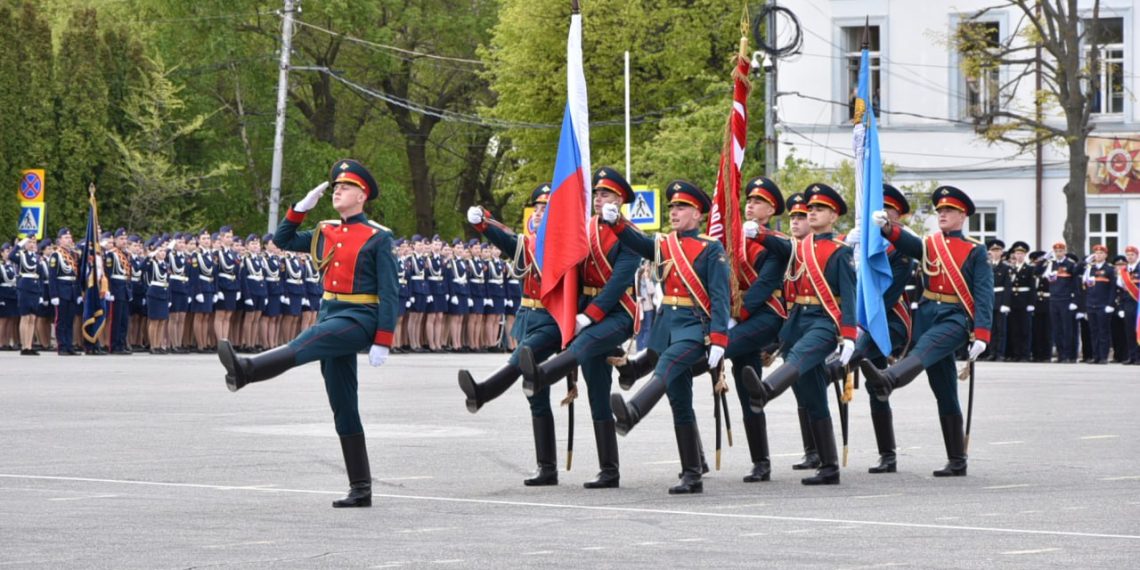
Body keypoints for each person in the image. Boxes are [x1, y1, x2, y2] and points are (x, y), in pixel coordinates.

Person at [218, 158, 398, 509]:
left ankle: (247, 369)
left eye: (345, 187)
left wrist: (383, 339)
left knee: (306, 342)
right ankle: (361, 488)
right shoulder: (326, 230)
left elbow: (391, 292)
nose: (337, 192)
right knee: (343, 403)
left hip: (359, 317)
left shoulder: (378, 237)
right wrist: (299, 210)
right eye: (335, 187)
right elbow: (281, 241)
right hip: (330, 310)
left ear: (362, 196)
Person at [518, 167, 641, 489]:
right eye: (597, 194)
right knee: (597, 391)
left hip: (616, 313)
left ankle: (542, 374)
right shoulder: (583, 228)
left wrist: (591, 314)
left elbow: (619, 281)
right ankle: (607, 470)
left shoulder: (629, 234)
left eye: (607, 194)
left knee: (585, 345)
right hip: (582, 311)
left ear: (621, 200)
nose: (600, 199)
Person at [605, 180, 730, 494]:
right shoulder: (665, 244)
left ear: (698, 214)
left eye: (682, 207)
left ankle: (633, 412)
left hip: (693, 329)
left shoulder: (710, 248)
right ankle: (692, 474)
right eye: (673, 207)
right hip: (666, 329)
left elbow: (720, 296)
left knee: (668, 366)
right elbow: (638, 243)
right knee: (680, 401)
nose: (675, 212)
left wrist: (718, 339)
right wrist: (616, 223)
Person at [860, 185, 994, 478]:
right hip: (930, 315)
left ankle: (889, 379)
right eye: (940, 211)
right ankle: (957, 460)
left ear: (962, 215)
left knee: (925, 349)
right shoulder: (930, 243)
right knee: (944, 389)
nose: (943, 215)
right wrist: (887, 228)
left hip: (956, 318)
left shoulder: (975, 250)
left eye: (949, 211)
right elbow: (907, 243)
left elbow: (984, 295)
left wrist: (982, 334)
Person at [740, 183, 856, 486]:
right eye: (810, 209)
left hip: (823, 322)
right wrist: (758, 233)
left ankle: (765, 390)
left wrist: (849, 335)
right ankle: (829, 466)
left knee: (802, 357)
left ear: (833, 216)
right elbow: (778, 246)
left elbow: (850, 296)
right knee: (813, 394)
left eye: (818, 209)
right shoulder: (798, 247)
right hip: (797, 321)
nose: (811, 213)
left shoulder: (840, 252)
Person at [459, 184, 568, 486]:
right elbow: (506, 241)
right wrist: (481, 223)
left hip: (552, 320)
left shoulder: (565, 245)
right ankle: (547, 468)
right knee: (535, 390)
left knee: (525, 358)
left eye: (547, 208)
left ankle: (483, 392)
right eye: (538, 207)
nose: (541, 212)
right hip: (528, 317)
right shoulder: (527, 242)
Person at [828, 184, 916, 474]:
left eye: (886, 211)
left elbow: (886, 296)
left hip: (887, 321)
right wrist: (848, 250)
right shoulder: (855, 242)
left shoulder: (901, 250)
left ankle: (828, 373)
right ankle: (887, 455)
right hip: (857, 321)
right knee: (876, 385)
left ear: (896, 216)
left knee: (846, 365)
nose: (879, 215)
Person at [1039, 241, 1078, 362]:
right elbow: (1037, 272)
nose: (1058, 253)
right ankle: (1061, 354)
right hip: (1054, 299)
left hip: (1066, 300)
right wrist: (1043, 260)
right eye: (1056, 251)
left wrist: (1074, 300)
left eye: (1061, 251)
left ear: (1065, 251)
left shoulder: (1070, 264)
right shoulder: (1051, 264)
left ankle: (1068, 354)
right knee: (1056, 328)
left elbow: (1075, 283)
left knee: (1067, 329)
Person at [47, 228, 81, 356]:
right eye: (66, 238)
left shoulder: (73, 254)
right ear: (59, 240)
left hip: (72, 290)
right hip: (61, 290)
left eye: (70, 237)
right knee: (61, 320)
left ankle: (69, 345)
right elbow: (52, 276)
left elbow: (76, 275)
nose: (69, 240)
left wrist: (77, 293)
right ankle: (61, 346)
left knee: (70, 319)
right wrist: (54, 294)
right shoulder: (56, 255)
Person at [1082, 244, 1115, 365]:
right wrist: (1086, 306)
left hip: (1103, 305)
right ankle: (1095, 356)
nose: (1098, 255)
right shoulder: (1090, 268)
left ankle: (1103, 356)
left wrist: (1110, 304)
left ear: (1105, 255)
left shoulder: (1109, 269)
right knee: (1093, 331)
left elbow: (1113, 288)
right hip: (1091, 304)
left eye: (1101, 253)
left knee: (1103, 332)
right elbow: (1086, 288)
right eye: (1096, 253)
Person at [1005, 241, 1034, 362]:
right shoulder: (1011, 269)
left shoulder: (1029, 269)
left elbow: (1032, 287)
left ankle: (1025, 354)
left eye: (1021, 253)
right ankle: (1016, 354)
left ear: (1025, 255)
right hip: (1013, 302)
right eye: (1017, 253)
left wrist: (1031, 303)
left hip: (1024, 301)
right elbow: (1007, 287)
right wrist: (1006, 303)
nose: (1019, 256)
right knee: (1014, 329)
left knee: (1025, 329)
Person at [983, 240, 1011, 361]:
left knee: (1001, 329)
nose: (995, 253)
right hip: (989, 299)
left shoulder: (1005, 267)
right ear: (990, 252)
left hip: (1000, 300)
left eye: (998, 251)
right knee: (991, 329)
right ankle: (992, 352)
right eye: (993, 251)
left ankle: (1000, 353)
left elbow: (1007, 287)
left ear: (1001, 252)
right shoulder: (987, 266)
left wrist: (1006, 303)